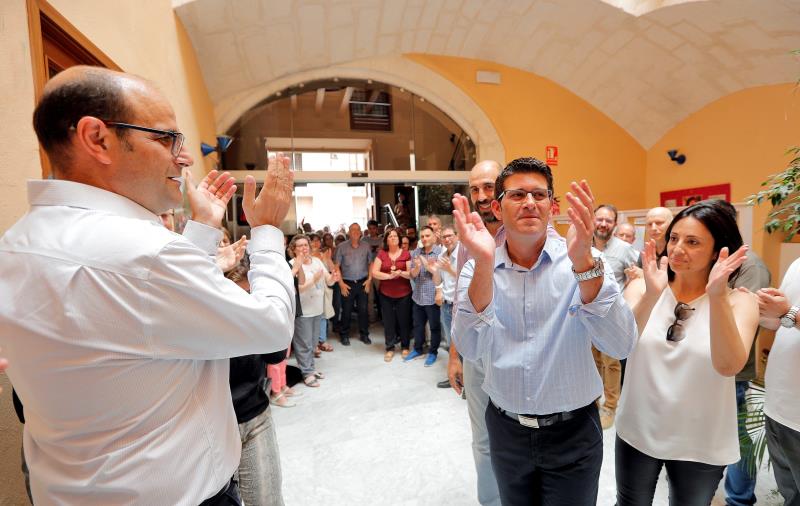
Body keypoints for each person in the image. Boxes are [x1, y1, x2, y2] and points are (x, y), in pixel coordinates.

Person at [0, 66, 296, 505]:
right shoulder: (142, 253)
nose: (185, 156)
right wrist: (269, 231)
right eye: (166, 138)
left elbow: (156, 316)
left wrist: (202, 228)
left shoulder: (17, 244)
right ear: (97, 138)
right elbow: (272, 327)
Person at [453, 157, 636, 505]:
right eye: (517, 194)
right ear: (498, 206)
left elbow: (621, 343)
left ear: (553, 205)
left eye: (539, 194)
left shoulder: (586, 260)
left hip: (573, 432)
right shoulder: (479, 266)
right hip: (506, 430)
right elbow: (470, 346)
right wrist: (484, 266)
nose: (529, 203)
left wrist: (583, 263)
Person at [616, 200, 759, 505]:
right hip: (639, 426)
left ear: (718, 250)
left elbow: (728, 365)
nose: (678, 248)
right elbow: (620, 344)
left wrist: (717, 296)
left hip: (700, 438)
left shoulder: (740, 303)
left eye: (692, 241)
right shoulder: (643, 286)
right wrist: (653, 295)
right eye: (674, 238)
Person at [226, 265, 287, 506]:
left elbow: (276, 353)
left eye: (249, 295)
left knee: (267, 501)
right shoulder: (207, 319)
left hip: (254, 416)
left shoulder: (252, 316)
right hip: (214, 424)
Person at [592, 204, 639, 429]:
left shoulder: (625, 249)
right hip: (586, 315)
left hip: (611, 316)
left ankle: (610, 406)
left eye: (608, 220)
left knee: (611, 363)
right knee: (590, 360)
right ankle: (591, 401)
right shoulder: (582, 243)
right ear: (593, 220)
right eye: (599, 219)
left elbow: (637, 276)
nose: (603, 224)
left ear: (615, 223)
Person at [757, 257, 800, 505]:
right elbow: (780, 323)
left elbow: (789, 315)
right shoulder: (797, 263)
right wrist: (761, 308)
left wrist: (786, 313)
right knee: (791, 495)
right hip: (778, 407)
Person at [289, 235, 336, 387]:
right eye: (300, 246)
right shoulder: (292, 265)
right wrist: (314, 280)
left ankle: (311, 369)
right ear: (293, 249)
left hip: (318, 309)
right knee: (304, 344)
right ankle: (307, 372)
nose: (304, 248)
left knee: (314, 343)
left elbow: (327, 280)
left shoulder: (316, 261)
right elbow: (299, 288)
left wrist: (334, 278)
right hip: (303, 311)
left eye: (306, 245)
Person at [371, 228, 413, 361]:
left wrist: (400, 273)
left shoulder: (406, 254)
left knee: (404, 320)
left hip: (404, 293)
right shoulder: (381, 254)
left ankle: (405, 346)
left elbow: (411, 273)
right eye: (390, 236)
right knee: (388, 322)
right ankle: (390, 348)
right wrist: (389, 277)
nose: (393, 238)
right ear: (386, 240)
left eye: (395, 236)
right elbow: (374, 272)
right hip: (386, 293)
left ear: (399, 239)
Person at [406, 226, 444, 366]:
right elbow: (412, 275)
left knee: (434, 327)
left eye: (427, 235)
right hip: (418, 296)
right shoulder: (415, 252)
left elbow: (438, 273)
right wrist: (416, 267)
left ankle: (433, 352)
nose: (424, 238)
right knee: (418, 325)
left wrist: (424, 262)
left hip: (433, 296)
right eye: (422, 236)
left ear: (434, 237)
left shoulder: (440, 252)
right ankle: (417, 349)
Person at [334, 223, 373, 346]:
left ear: (361, 232)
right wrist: (341, 284)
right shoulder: (341, 247)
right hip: (347, 283)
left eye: (357, 229)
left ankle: (364, 334)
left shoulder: (366, 246)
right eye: (352, 230)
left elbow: (370, 263)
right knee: (346, 310)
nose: (355, 232)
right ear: (348, 233)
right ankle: (344, 335)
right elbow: (336, 266)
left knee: (363, 309)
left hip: (362, 283)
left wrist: (369, 280)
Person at [433, 226, 459, 350]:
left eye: (450, 236)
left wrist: (449, 269)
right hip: (446, 305)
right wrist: (435, 271)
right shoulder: (441, 256)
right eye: (444, 237)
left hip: (460, 306)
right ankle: (455, 368)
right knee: (450, 342)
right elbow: (438, 280)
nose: (447, 239)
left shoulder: (464, 253)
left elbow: (469, 280)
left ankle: (465, 369)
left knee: (462, 344)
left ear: (457, 236)